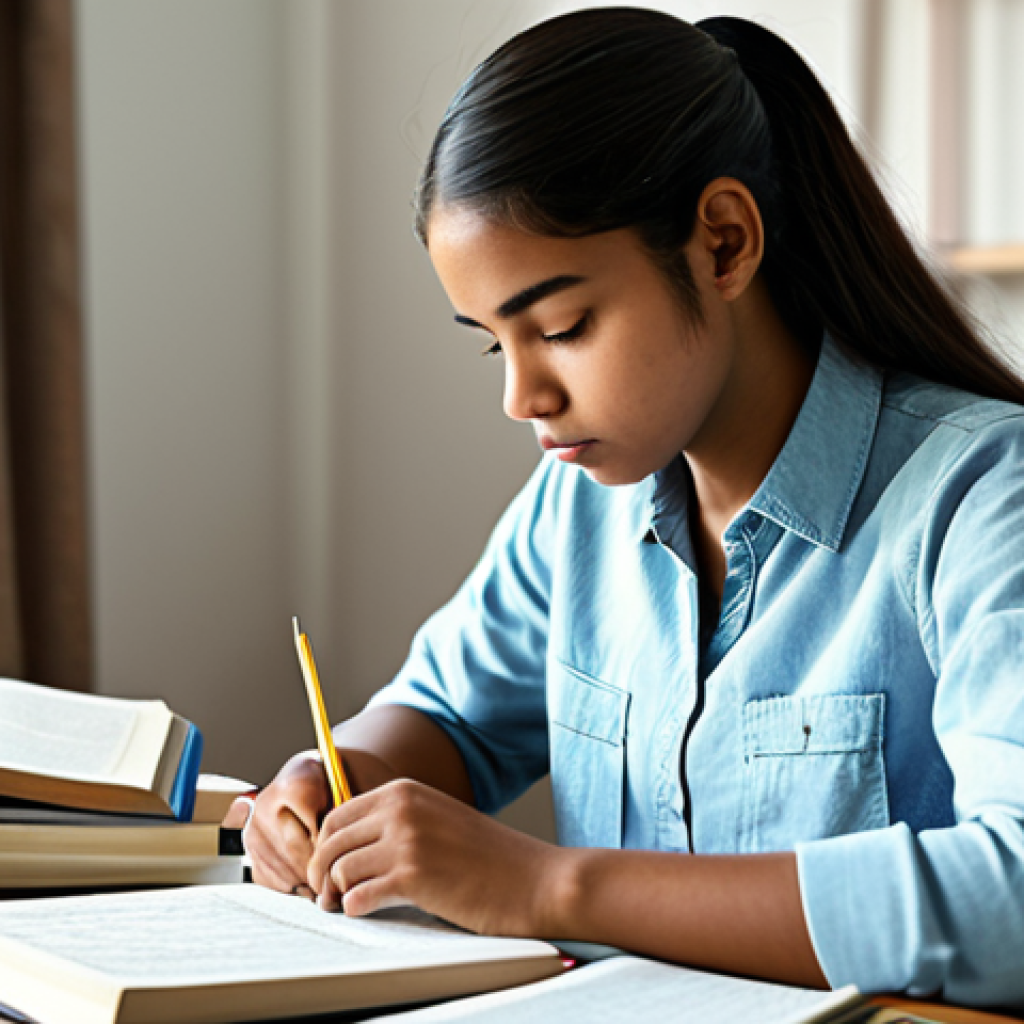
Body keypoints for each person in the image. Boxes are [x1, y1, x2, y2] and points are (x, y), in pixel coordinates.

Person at [238, 8, 1024, 1007]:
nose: (521, 398)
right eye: (493, 341)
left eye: (561, 326)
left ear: (724, 243)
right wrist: (333, 774)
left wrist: (547, 884)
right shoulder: (575, 510)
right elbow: (444, 715)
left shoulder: (983, 497)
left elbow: (1013, 897)